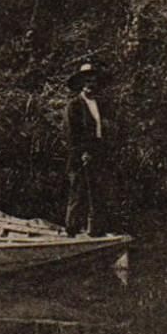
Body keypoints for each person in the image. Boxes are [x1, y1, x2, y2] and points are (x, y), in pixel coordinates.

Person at [64, 62, 105, 235]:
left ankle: (93, 231)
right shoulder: (74, 105)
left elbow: (103, 130)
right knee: (79, 192)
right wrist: (83, 152)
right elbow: (70, 133)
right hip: (79, 155)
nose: (91, 84)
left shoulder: (100, 104)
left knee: (95, 192)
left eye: (94, 81)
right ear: (81, 83)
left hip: (97, 153)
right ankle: (71, 231)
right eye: (87, 81)